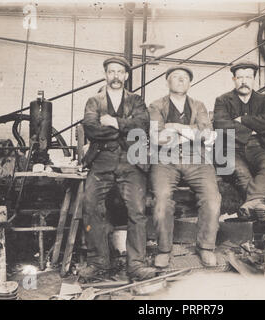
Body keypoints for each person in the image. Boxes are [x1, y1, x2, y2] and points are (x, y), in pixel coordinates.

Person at [80, 56, 157, 280]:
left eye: (119, 72)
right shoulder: (94, 101)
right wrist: (125, 128)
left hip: (131, 159)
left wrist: (113, 122)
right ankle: (98, 262)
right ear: (106, 74)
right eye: (111, 72)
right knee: (90, 205)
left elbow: (142, 125)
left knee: (137, 210)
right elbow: (91, 129)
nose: (115, 76)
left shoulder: (136, 100)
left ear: (126, 76)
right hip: (102, 159)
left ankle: (136, 265)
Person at [148, 66, 221, 268]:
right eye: (175, 77)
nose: (180, 80)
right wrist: (193, 133)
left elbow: (208, 135)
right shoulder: (156, 106)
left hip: (197, 159)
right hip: (165, 160)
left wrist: (176, 127)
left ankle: (205, 247)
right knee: (162, 199)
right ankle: (164, 249)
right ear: (167, 82)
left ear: (190, 83)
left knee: (212, 198)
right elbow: (157, 137)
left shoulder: (199, 105)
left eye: (185, 78)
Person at [213, 60, 265, 223]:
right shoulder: (223, 100)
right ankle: (260, 205)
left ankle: (251, 206)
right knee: (241, 172)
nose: (244, 81)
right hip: (230, 148)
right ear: (234, 80)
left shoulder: (264, 100)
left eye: (248, 77)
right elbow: (220, 124)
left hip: (258, 147)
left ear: (254, 79)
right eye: (240, 78)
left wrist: (242, 120)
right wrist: (253, 128)